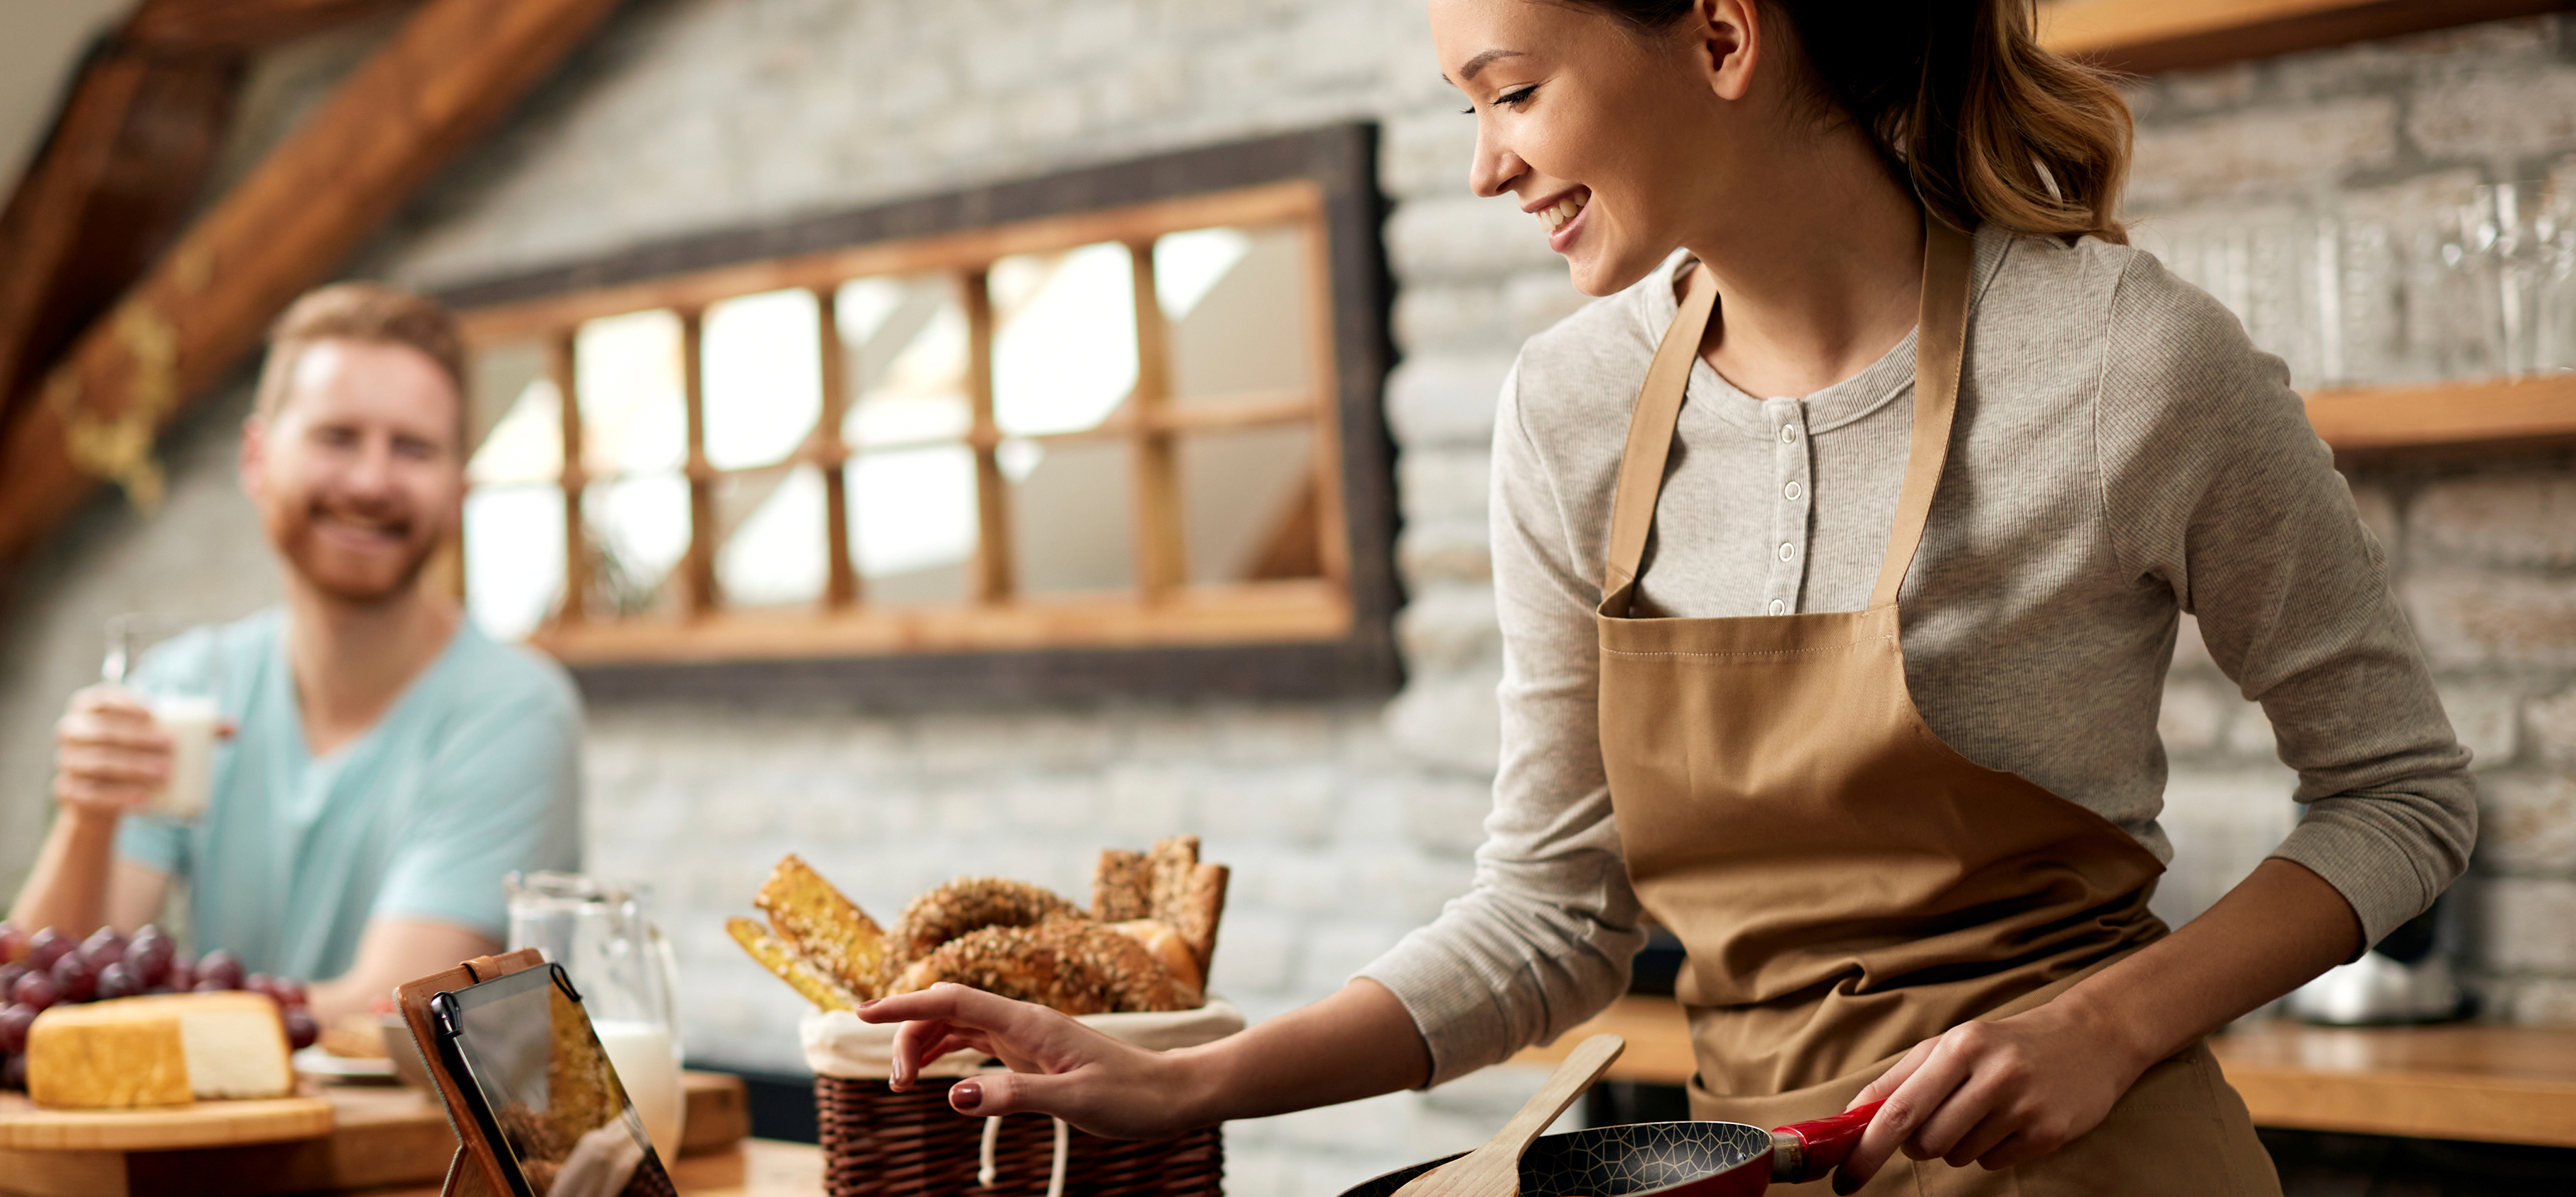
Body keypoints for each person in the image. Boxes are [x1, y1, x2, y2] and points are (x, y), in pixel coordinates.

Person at [860, 2, 2476, 1193]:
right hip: (1747, 1167)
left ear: (1717, 36)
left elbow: (2399, 795)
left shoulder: (2124, 361)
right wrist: (1191, 1075)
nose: (1486, 164)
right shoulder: (1572, 407)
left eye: (1510, 92)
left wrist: (2107, 1025)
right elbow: (1555, 916)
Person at [0, 283, 582, 1069]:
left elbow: (389, 1015)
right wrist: (87, 815)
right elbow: (40, 992)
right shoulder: (186, 687)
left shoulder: (513, 711)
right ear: (257, 459)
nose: (370, 481)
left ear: (458, 486)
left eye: (412, 449)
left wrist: (103, 1030)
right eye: (337, 437)